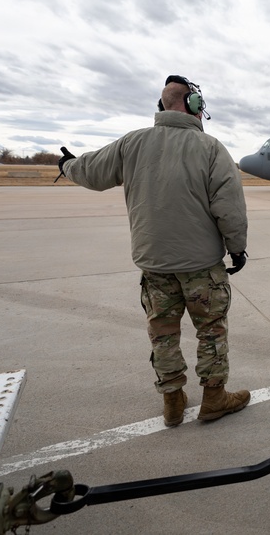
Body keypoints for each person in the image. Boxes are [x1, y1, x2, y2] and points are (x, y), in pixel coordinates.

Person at [58, 75, 250, 427]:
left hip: (155, 265)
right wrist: (237, 249)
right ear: (192, 105)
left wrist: (66, 166)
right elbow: (230, 207)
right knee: (211, 331)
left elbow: (90, 171)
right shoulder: (211, 149)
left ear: (162, 106)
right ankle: (214, 399)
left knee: (163, 334)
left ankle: (173, 402)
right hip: (202, 267)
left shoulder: (132, 143)